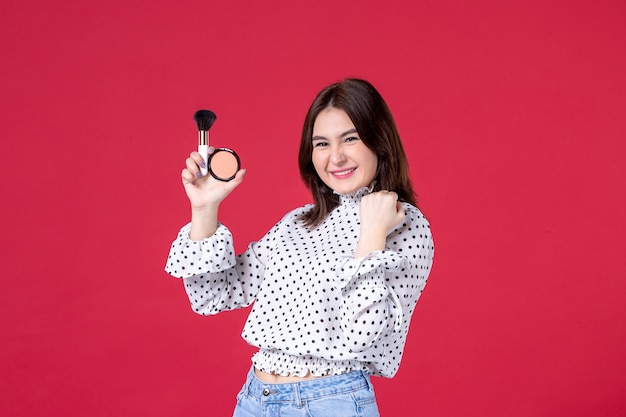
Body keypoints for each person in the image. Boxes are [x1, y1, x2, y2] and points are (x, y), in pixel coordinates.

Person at [165, 78, 434, 417]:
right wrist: (204, 208)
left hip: (331, 403)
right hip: (254, 400)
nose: (335, 157)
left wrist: (373, 233)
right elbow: (212, 295)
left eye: (350, 138)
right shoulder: (299, 222)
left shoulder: (404, 224)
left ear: (378, 141)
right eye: (321, 144)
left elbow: (364, 334)